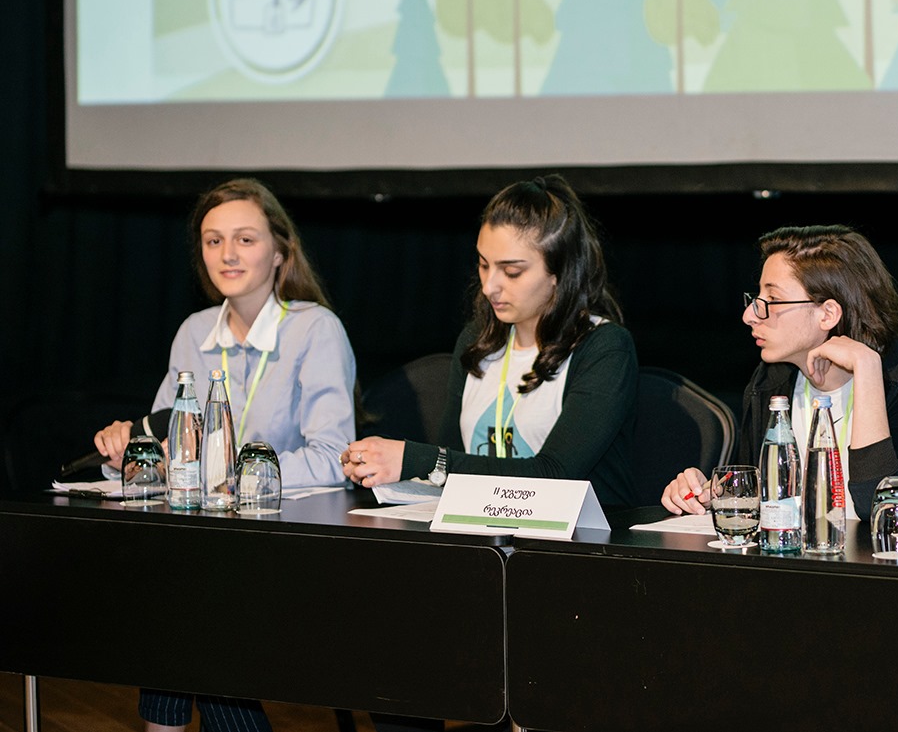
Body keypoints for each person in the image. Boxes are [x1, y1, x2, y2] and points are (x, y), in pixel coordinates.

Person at [91, 176, 357, 732]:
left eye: (245, 239)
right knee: (180, 586)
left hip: (284, 540)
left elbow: (335, 457)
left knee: (189, 599)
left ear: (279, 252)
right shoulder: (194, 332)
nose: (227, 254)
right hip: (206, 542)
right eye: (214, 241)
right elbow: (166, 444)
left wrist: (236, 475)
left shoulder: (315, 329)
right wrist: (131, 455)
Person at [344, 173, 637, 509]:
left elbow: (555, 474)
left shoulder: (603, 347)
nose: (489, 286)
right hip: (486, 527)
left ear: (560, 273)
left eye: (512, 272)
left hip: (579, 535)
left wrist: (419, 460)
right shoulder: (478, 340)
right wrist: (392, 467)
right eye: (484, 265)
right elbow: (455, 460)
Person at [660, 224, 898, 521]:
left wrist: (867, 370)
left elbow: (889, 514)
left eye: (772, 300)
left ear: (827, 314)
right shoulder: (771, 379)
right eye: (756, 297)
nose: (749, 315)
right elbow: (761, 498)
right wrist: (712, 493)